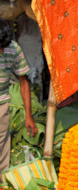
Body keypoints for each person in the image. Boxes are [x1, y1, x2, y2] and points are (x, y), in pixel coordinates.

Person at [0, 18, 37, 180]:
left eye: (3, 48)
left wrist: (28, 115)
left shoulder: (13, 49)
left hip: (2, 104)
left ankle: (3, 189)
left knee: (2, 151)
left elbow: (24, 82)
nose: (1, 52)